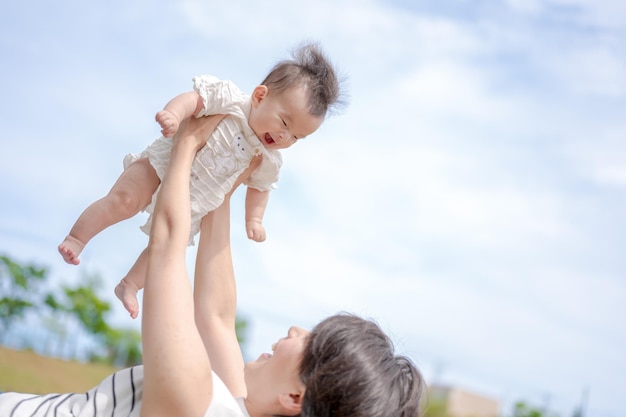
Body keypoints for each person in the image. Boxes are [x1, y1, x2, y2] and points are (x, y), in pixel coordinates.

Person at [1, 115, 425, 417]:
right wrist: (225, 186)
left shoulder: (195, 403)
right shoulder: (231, 403)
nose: (296, 330)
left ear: (296, 398)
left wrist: (188, 144)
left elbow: (168, 242)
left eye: (309, 342)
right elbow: (217, 316)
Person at [58, 42, 343, 319]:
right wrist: (174, 113)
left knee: (166, 247)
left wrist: (254, 220)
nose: (285, 137)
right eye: (284, 122)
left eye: (296, 137)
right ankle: (77, 238)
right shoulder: (231, 101)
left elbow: (260, 188)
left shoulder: (268, 158)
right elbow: (193, 100)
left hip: (192, 202)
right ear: (259, 96)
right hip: (163, 164)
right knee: (123, 200)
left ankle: (130, 285)